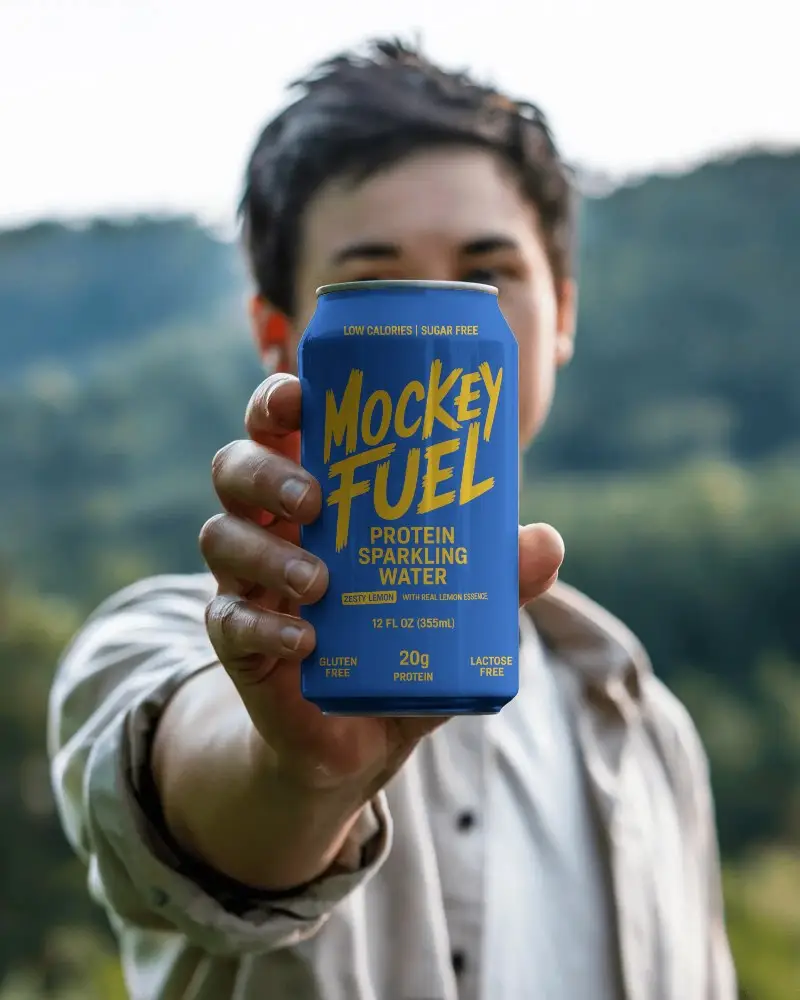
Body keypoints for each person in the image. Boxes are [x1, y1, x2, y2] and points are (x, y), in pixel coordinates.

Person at [48, 38, 737, 1000]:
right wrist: (298, 775)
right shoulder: (167, 643)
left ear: (562, 314)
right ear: (279, 336)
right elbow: (192, 786)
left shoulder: (649, 729)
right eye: (373, 278)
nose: (435, 319)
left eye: (487, 270)